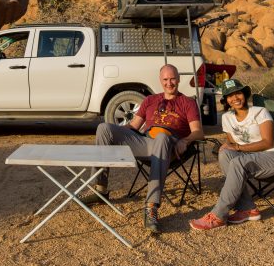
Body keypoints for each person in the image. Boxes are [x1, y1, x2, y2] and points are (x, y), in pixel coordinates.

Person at [81, 64, 204, 234]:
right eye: (165, 79)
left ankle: (151, 207)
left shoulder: (187, 103)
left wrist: (186, 140)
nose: (169, 83)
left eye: (173, 79)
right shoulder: (150, 100)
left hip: (169, 145)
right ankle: (100, 188)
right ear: (160, 81)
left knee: (161, 137)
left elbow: (198, 132)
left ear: (179, 79)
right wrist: (116, 134)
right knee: (104, 128)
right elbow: (133, 126)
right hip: (145, 142)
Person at [189, 78, 274, 231]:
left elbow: (268, 143)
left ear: (244, 94)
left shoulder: (259, 112)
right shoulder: (227, 118)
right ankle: (247, 209)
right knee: (225, 154)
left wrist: (237, 147)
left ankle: (218, 215)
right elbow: (232, 146)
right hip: (253, 159)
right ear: (226, 100)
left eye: (238, 93)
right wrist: (228, 147)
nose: (235, 98)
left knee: (238, 162)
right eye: (230, 96)